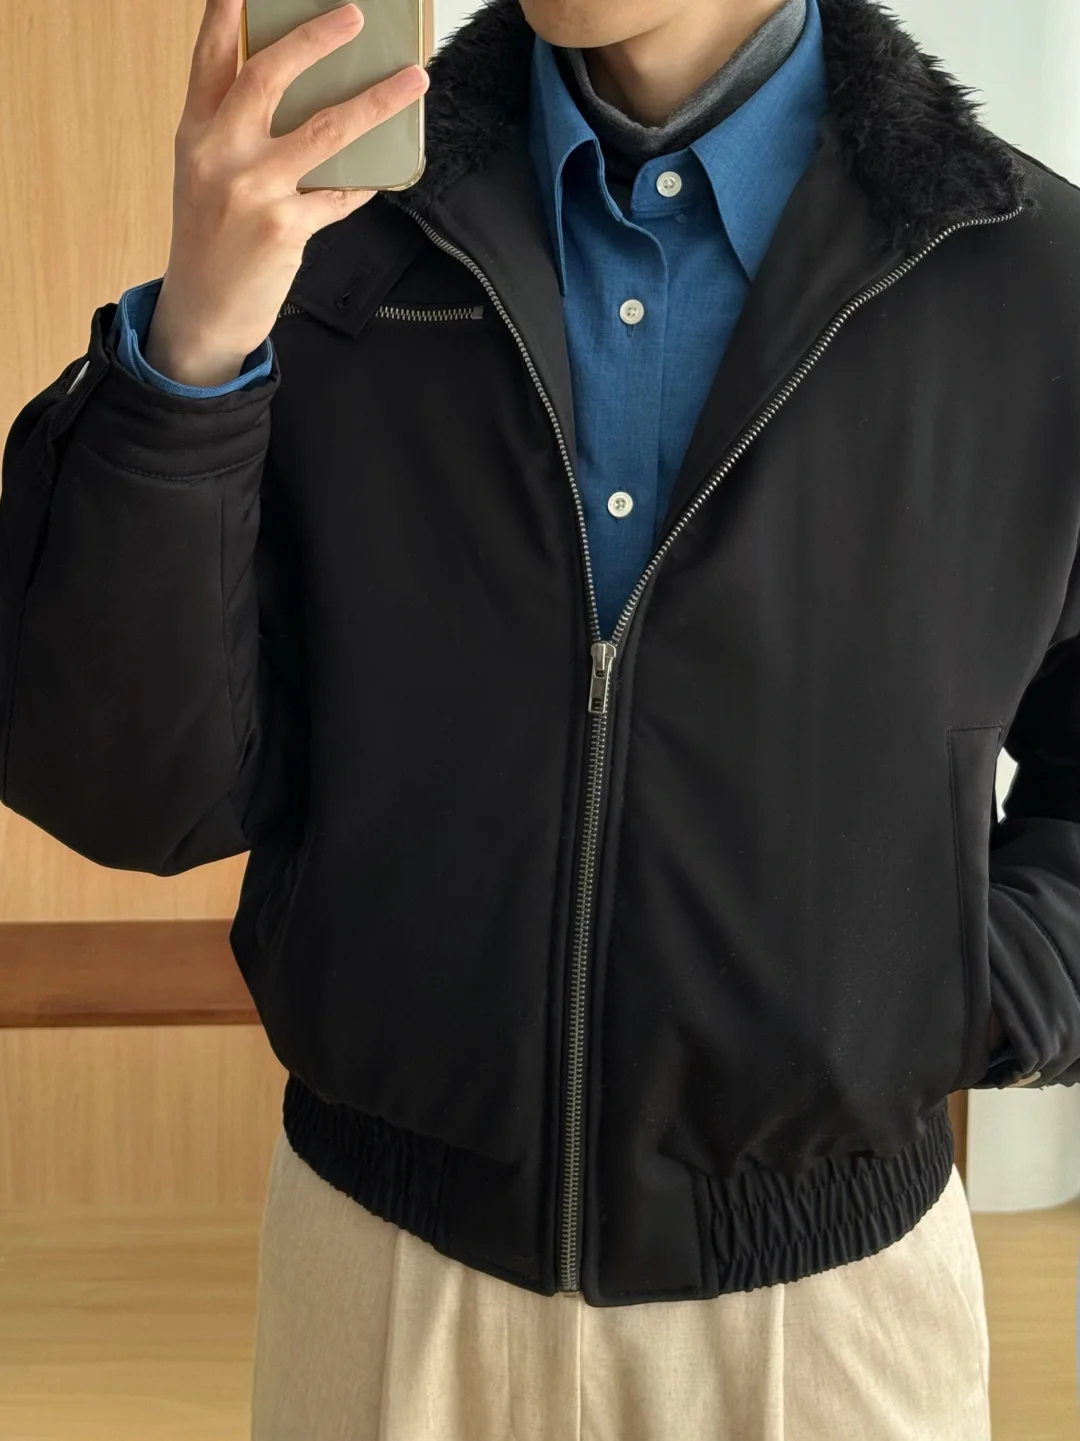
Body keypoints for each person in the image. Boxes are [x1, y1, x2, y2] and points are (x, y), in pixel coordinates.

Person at [3, 0, 1079, 1433]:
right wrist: (193, 349)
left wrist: (969, 990)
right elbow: (131, 790)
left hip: (826, 1334)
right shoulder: (334, 247)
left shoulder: (1033, 282)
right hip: (382, 1296)